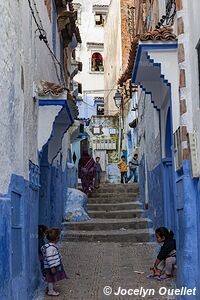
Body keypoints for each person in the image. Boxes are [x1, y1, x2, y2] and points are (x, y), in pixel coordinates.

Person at [41, 228, 67, 296]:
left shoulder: (49, 246)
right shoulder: (50, 248)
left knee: (51, 279)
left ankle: (50, 288)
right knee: (51, 279)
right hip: (51, 267)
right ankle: (51, 291)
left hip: (51, 266)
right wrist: (52, 267)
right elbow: (50, 258)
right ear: (56, 238)